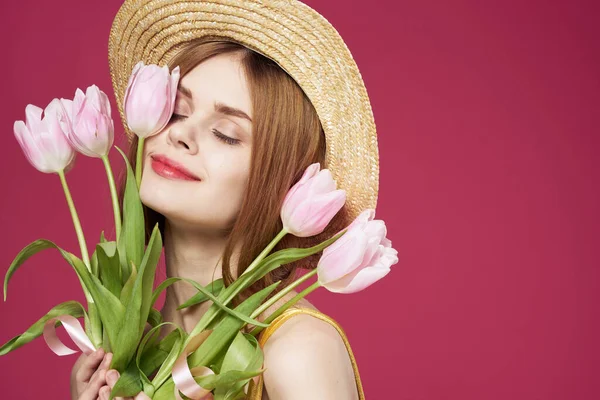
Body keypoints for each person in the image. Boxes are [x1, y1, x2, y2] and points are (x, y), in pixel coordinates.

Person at [71, 0, 379, 398]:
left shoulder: (297, 349)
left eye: (226, 133)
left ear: (282, 182)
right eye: (177, 110)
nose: (180, 134)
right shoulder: (132, 355)